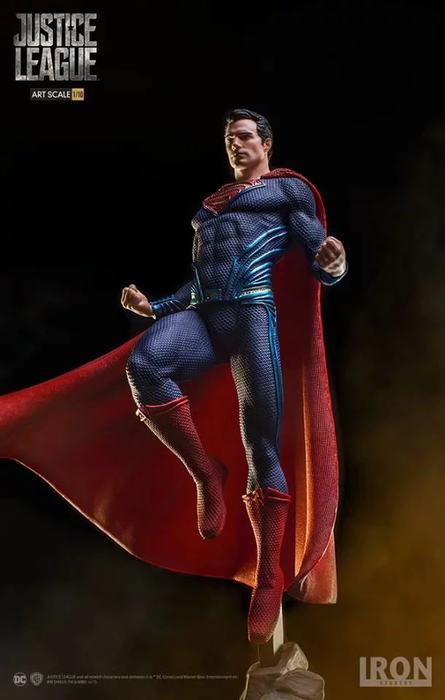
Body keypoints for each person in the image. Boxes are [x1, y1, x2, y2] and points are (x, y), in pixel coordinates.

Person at [121, 108, 347, 644]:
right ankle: (206, 473)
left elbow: (318, 252)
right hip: (205, 318)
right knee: (144, 365)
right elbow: (201, 282)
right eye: (229, 139)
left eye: (244, 136)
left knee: (260, 446)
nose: (235, 145)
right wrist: (155, 307)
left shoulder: (285, 191)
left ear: (266, 144)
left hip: (251, 319)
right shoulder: (211, 207)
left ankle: (268, 579)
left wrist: (333, 264)